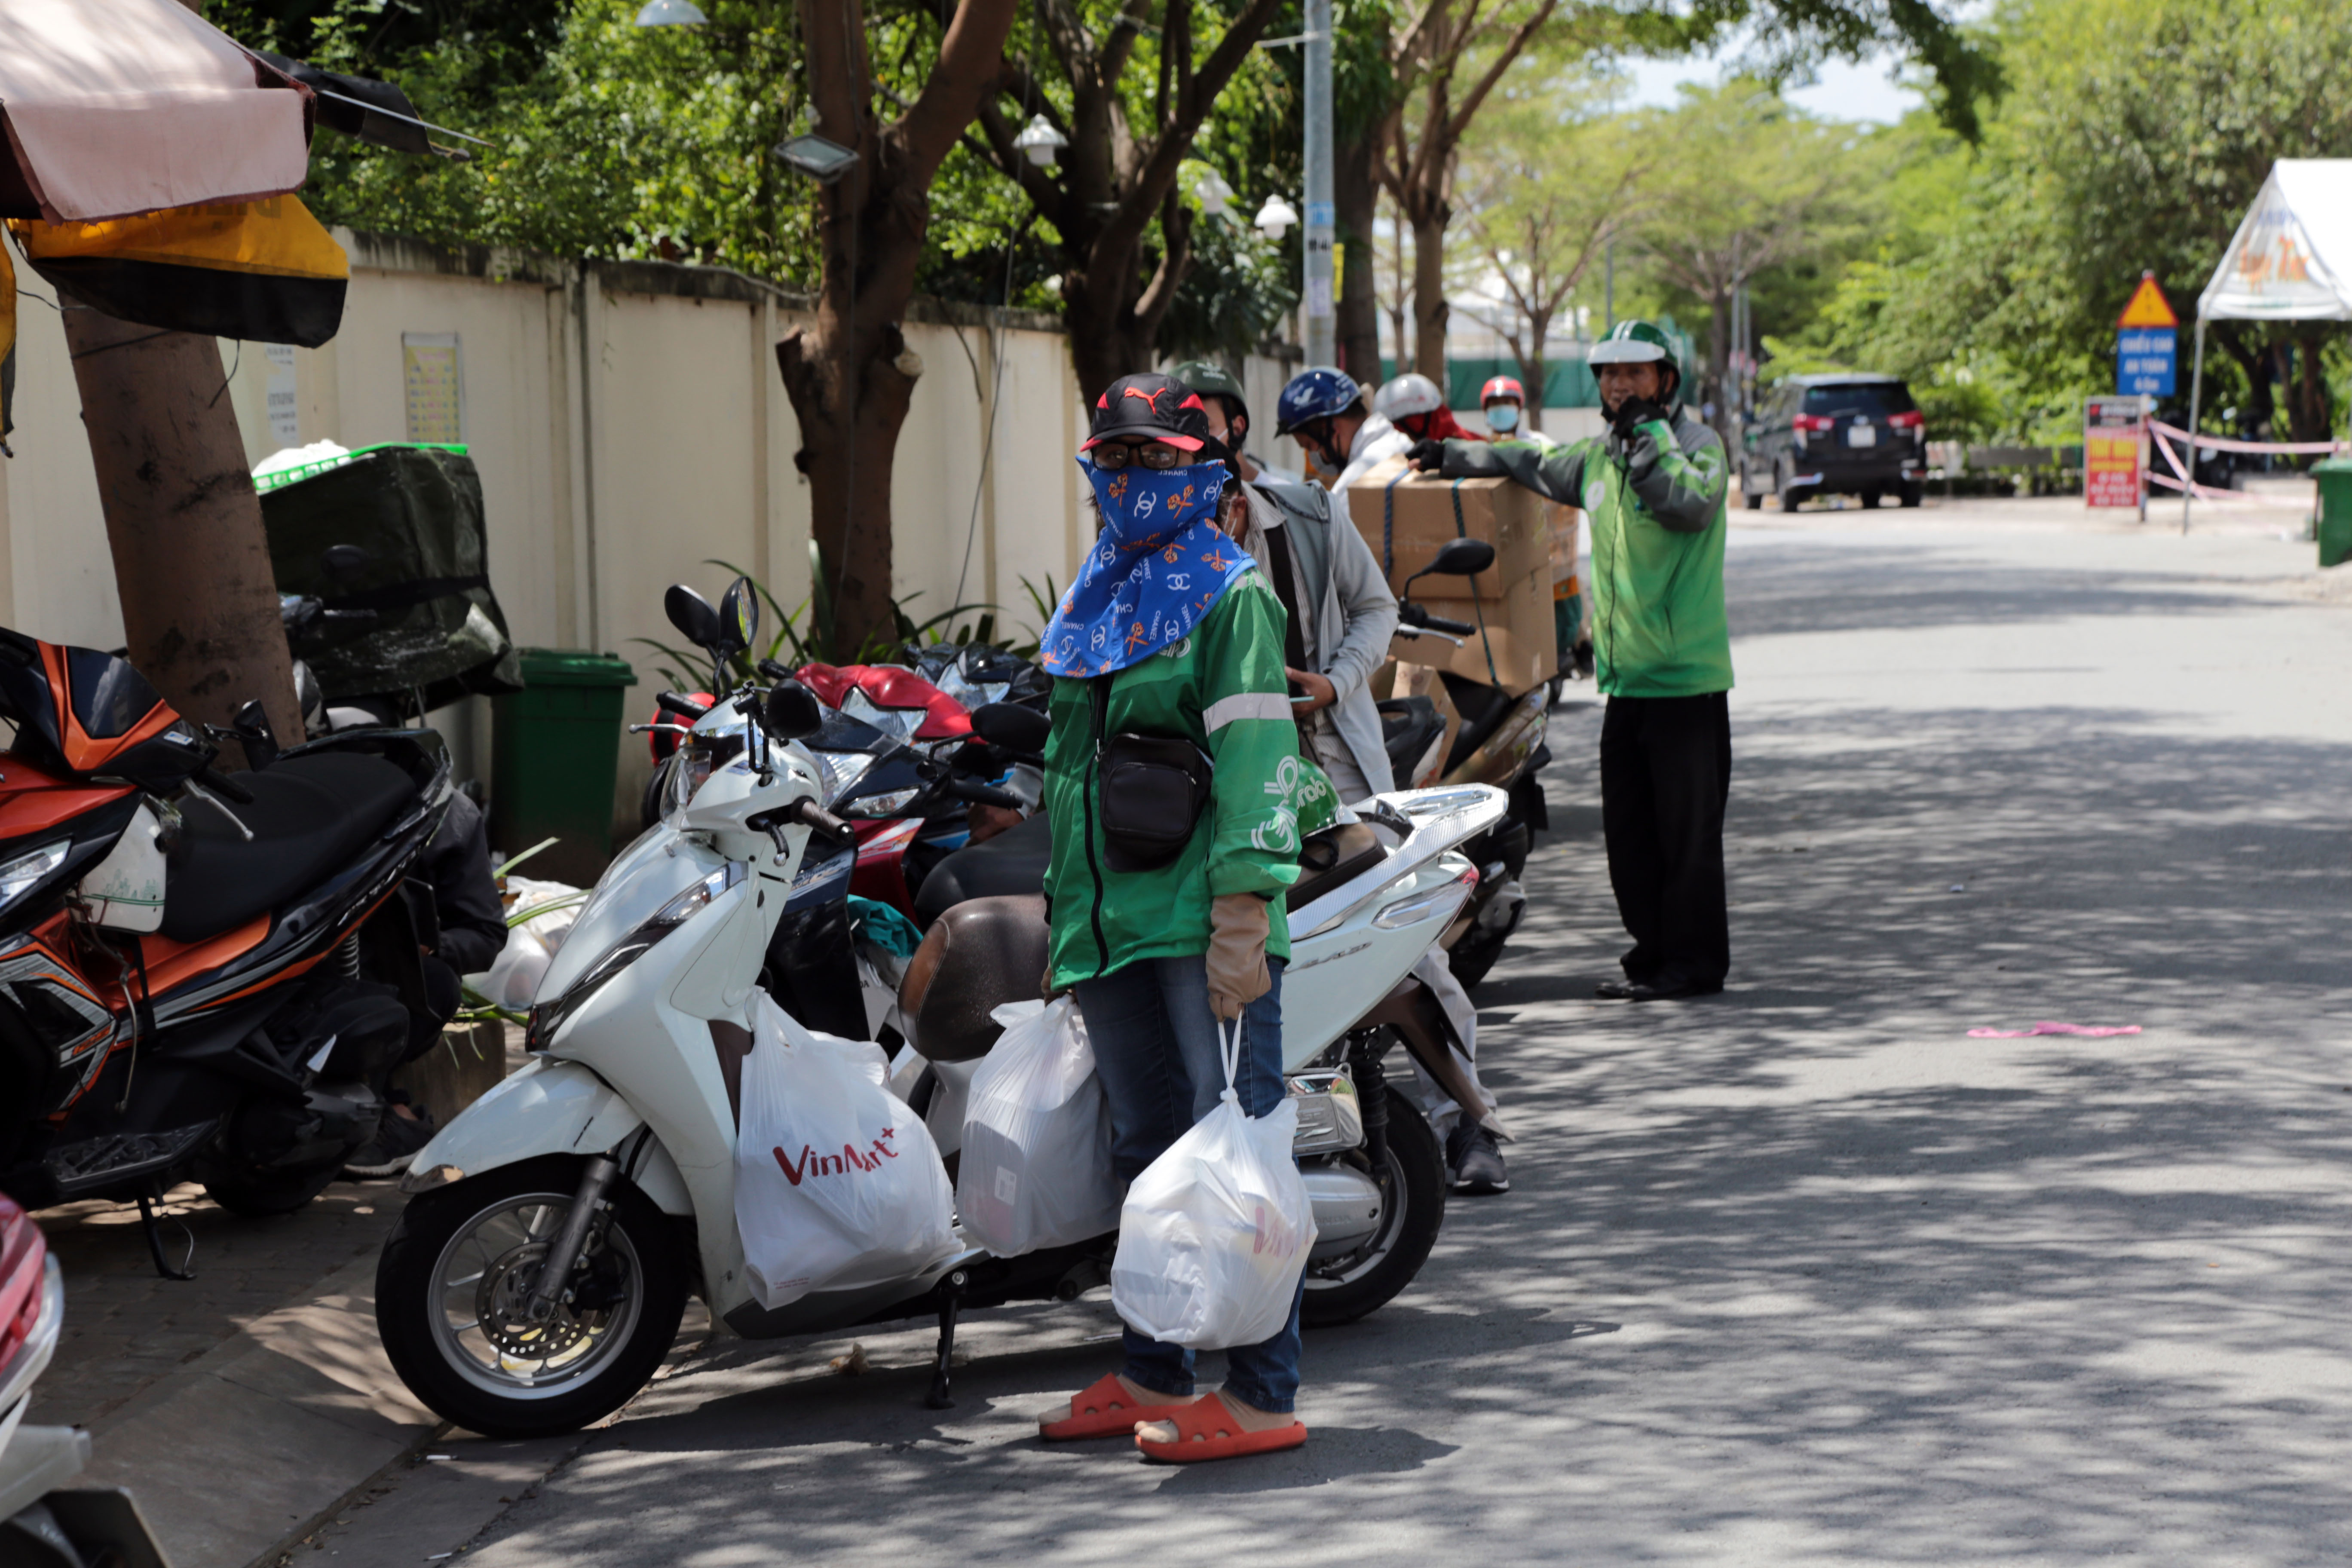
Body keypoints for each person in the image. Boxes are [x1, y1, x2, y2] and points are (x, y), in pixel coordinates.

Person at [1033, 371, 1312, 1462]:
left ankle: (1260, 1391)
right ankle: (1153, 1368)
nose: (1134, 477)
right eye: (1116, 459)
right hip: (1108, 925)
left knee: (1236, 1160)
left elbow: (1255, 753)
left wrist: (1244, 907)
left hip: (1203, 919)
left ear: (1197, 469)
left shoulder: (1229, 592)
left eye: (1156, 458)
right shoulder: (1091, 592)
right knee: (1146, 1157)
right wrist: (1066, 912)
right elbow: (1067, 762)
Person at [1409, 319, 1733, 1002]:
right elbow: (1524, 464)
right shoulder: (1598, 458)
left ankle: (1695, 963)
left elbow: (1689, 506)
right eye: (1609, 376)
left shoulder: (1699, 449)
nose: (1619, 386)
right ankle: (1654, 954)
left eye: (1635, 373)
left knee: (1687, 837)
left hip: (1687, 684)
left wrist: (1650, 434)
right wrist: (1452, 456)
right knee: (1632, 837)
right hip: (1626, 683)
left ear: (1665, 380)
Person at [344, 787, 508, 1175]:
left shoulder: (449, 815)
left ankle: (387, 1119)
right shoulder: (316, 802)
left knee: (432, 984)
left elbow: (485, 934)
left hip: (389, 980)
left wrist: (429, 947)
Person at [1480, 374, 1593, 682]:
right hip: (1503, 549)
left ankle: (1581, 645)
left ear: (1519, 407)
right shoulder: (1479, 449)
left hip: (1544, 544)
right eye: (1495, 405)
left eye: (1507, 403)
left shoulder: (1540, 446)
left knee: (1568, 597)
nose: (1501, 409)